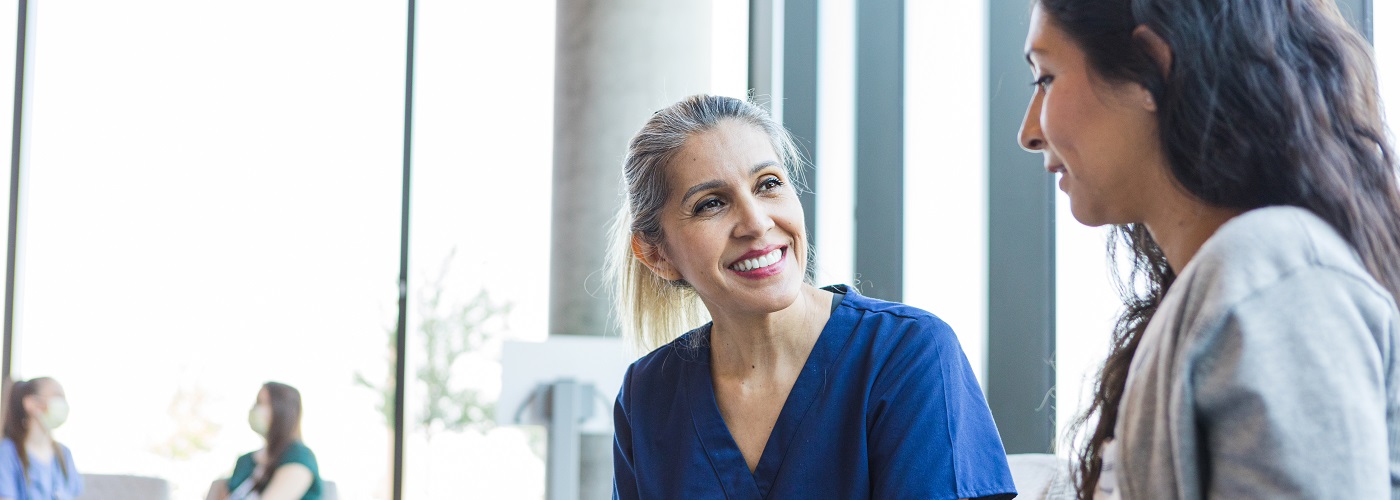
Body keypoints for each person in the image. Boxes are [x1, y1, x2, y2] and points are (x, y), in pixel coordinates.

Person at [1018, 0, 1400, 498]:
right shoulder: (1228, 288)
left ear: (1149, 68)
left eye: (1046, 78)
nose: (1028, 133)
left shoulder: (1276, 281)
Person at [610, 94, 1017, 499]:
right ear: (657, 255)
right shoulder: (647, 396)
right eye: (711, 204)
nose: (756, 223)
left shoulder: (908, 352)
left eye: (768, 184)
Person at [222, 382, 322, 500]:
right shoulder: (245, 461)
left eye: (263, 403)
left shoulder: (300, 456)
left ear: (284, 411)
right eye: (256, 403)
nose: (255, 409)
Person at [0, 377, 81, 500]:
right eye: (57, 396)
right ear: (31, 403)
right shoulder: (7, 453)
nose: (63, 404)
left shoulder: (64, 454)